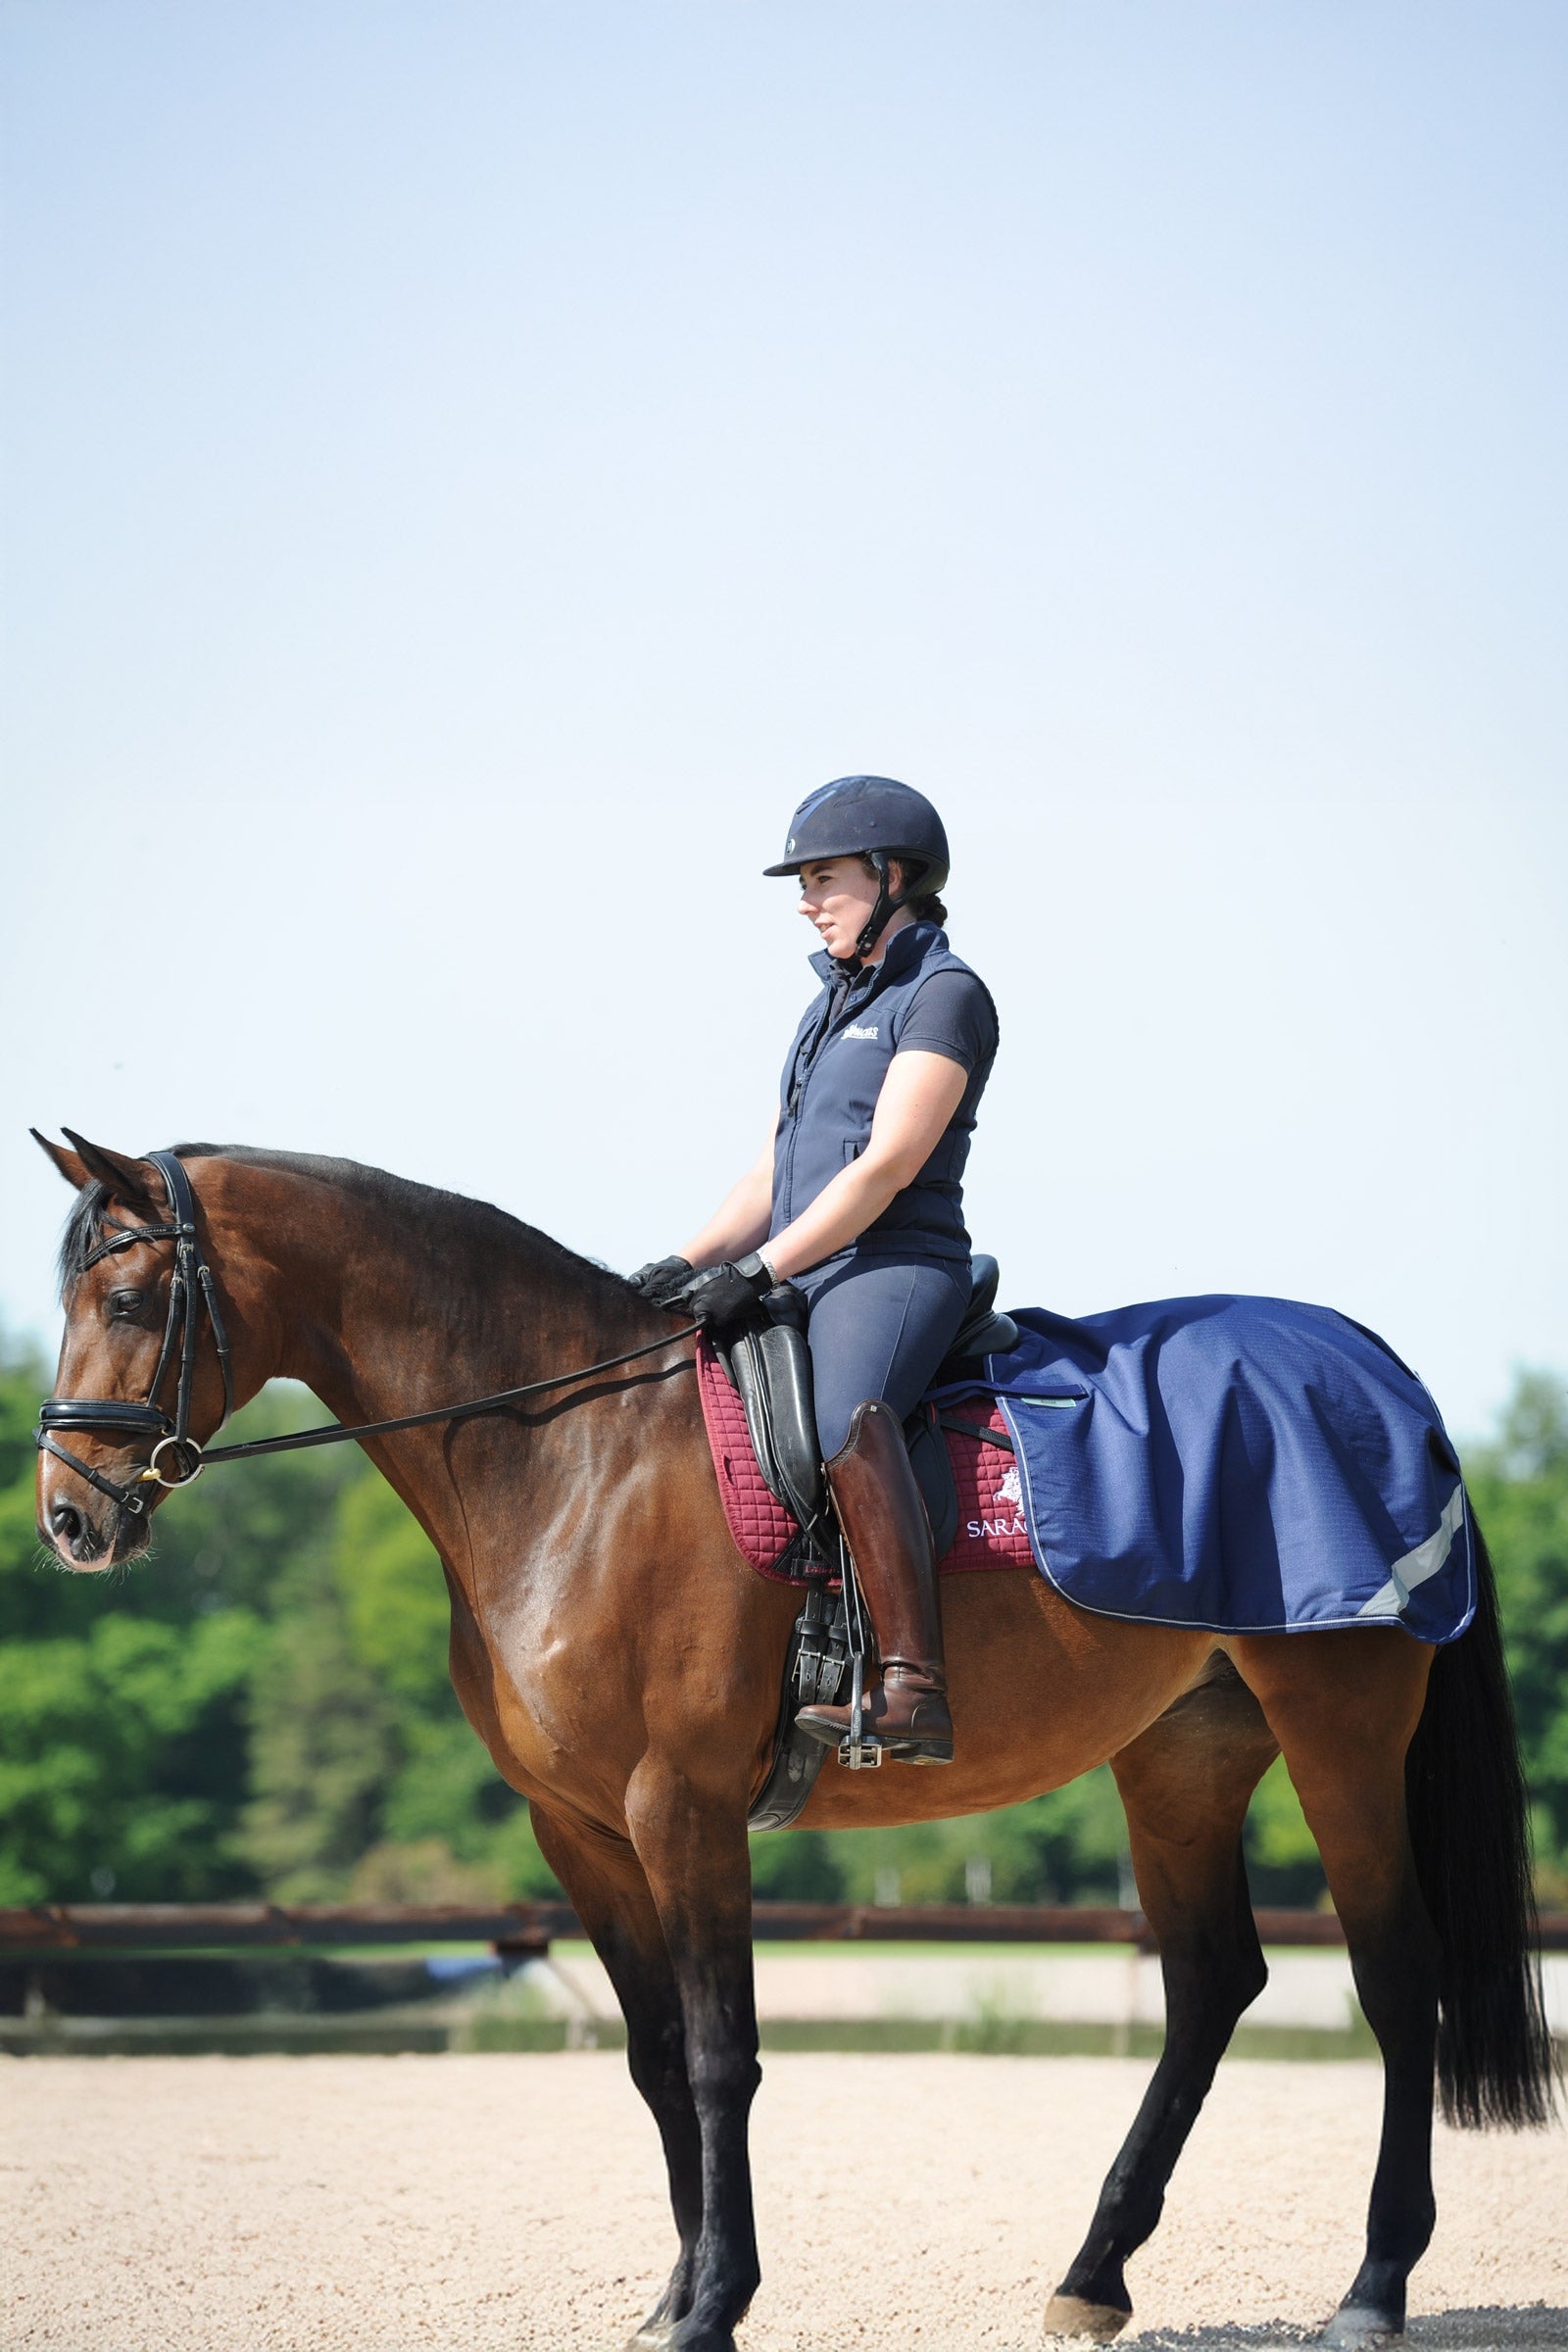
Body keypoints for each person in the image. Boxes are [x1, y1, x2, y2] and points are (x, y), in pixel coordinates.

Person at [631, 776, 998, 1763]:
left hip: (892, 1263)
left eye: (824, 878)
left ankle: (913, 1686)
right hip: (804, 1264)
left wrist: (759, 1271)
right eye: (803, 883)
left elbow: (885, 1166)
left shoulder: (944, 995)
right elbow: (772, 1170)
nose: (806, 900)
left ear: (892, 876)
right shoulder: (827, 1005)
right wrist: (685, 1263)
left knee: (845, 1422)